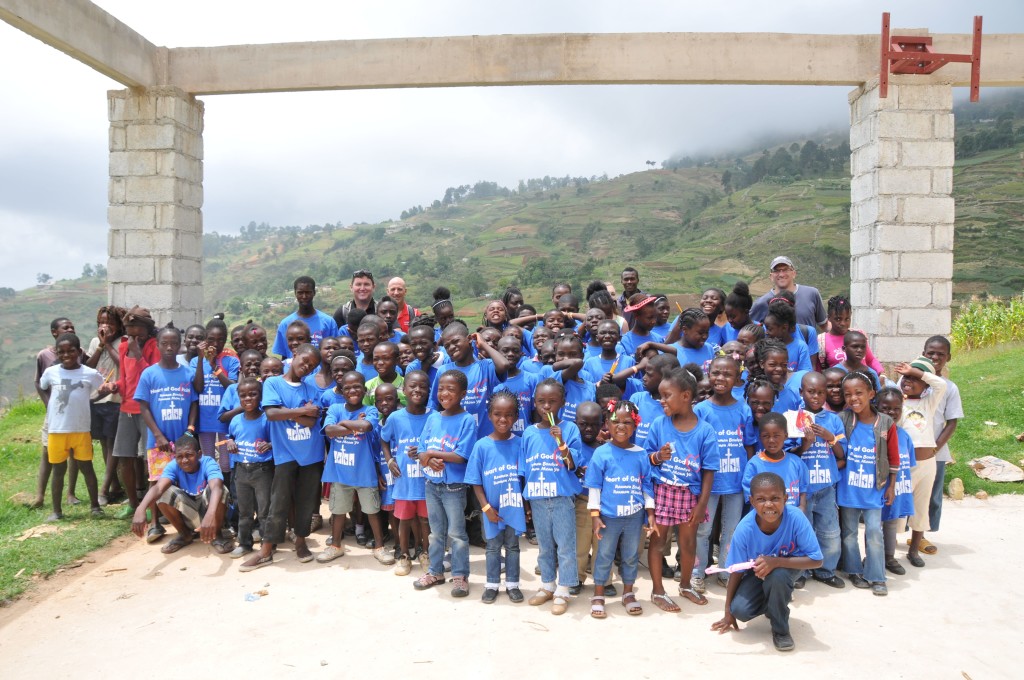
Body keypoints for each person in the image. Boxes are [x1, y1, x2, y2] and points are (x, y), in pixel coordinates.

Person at [710, 472, 824, 653]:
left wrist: (777, 562)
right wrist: (727, 610)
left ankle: (781, 630)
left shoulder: (796, 518)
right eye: (761, 499)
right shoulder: (744, 529)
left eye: (775, 498)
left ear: (786, 498)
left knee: (777, 576)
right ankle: (774, 602)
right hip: (759, 572)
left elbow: (816, 560)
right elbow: (736, 571)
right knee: (740, 610)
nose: (769, 504)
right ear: (752, 501)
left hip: (788, 567)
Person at [239, 344, 325, 572]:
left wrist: (289, 411)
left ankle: (300, 541)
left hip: (311, 453)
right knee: (279, 502)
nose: (306, 367)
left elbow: (311, 421)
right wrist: (300, 411)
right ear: (295, 355)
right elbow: (271, 414)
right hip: (285, 453)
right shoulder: (273, 383)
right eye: (304, 360)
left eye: (312, 366)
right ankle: (266, 550)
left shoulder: (312, 389)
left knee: (306, 501)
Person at [644, 367, 720, 612]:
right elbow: (646, 458)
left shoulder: (705, 431)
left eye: (667, 395)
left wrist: (701, 505)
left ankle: (686, 585)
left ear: (686, 396)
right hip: (663, 491)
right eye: (660, 396)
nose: (661, 400)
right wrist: (658, 456)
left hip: (689, 494)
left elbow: (709, 471)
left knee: (688, 545)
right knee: (658, 542)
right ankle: (657, 590)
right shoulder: (659, 424)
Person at [585, 399, 656, 619]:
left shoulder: (641, 454)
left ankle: (628, 592)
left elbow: (646, 486)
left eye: (627, 422)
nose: (621, 426)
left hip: (634, 517)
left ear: (635, 426)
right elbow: (595, 487)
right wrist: (595, 516)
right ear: (607, 423)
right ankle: (598, 594)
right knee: (604, 554)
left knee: (631, 555)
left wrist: (650, 514)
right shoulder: (601, 453)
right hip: (608, 516)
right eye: (615, 421)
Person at [317, 371, 394, 565]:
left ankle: (379, 547)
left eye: (357, 386)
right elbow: (329, 431)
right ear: (341, 390)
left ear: (364, 389)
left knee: (372, 511)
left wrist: (344, 424)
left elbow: (367, 426)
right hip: (340, 471)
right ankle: (335, 546)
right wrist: (353, 426)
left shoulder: (370, 410)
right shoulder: (335, 408)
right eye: (347, 387)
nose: (352, 390)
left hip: (364, 471)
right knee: (338, 510)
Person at [412, 370, 477, 596]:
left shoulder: (466, 420)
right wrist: (427, 457)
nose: (444, 393)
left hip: (454, 488)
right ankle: (435, 571)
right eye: (440, 388)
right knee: (435, 533)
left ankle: (460, 575)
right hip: (432, 485)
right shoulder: (433, 418)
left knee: (457, 534)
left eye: (450, 389)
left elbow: (462, 455)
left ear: (462, 394)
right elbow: (420, 451)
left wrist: (432, 453)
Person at [519, 378, 582, 616]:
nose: (547, 407)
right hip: (536, 498)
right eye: (541, 402)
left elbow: (572, 464)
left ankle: (564, 589)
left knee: (565, 546)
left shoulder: (570, 429)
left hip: (561, 498)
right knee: (545, 546)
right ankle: (547, 585)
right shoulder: (529, 433)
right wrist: (525, 500)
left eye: (552, 402)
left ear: (563, 403)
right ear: (534, 403)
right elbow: (524, 470)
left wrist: (561, 442)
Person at [694, 355, 756, 590]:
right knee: (703, 530)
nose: (721, 378)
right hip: (708, 484)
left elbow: (749, 444)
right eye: (716, 373)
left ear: (737, 378)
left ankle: (725, 571)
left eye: (727, 374)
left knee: (731, 530)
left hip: (736, 482)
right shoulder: (701, 410)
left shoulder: (744, 409)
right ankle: (697, 571)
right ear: (709, 375)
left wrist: (750, 478)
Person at [134, 325, 200, 544]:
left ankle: (185, 521)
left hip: (183, 439)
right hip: (159, 440)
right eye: (165, 343)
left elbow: (193, 403)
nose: (170, 347)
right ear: (158, 345)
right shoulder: (149, 374)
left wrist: (190, 430)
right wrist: (157, 434)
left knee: (184, 478)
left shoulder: (187, 372)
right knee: (157, 480)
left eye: (174, 343)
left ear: (179, 345)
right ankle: (155, 524)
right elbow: (143, 406)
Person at [39, 333, 115, 520]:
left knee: (86, 467)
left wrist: (98, 396)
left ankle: (95, 506)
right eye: (62, 352)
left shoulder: (89, 373)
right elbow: (43, 386)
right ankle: (57, 511)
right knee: (58, 470)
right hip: (57, 431)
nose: (67, 355)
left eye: (71, 351)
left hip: (81, 429)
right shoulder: (51, 372)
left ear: (79, 351)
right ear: (56, 353)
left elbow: (102, 388)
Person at [837, 371, 900, 596]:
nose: (853, 398)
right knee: (849, 533)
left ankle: (876, 575)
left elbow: (894, 457)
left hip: (874, 489)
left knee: (874, 531)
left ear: (871, 394)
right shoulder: (843, 419)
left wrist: (891, 485)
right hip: (849, 489)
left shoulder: (885, 423)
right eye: (848, 394)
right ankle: (854, 570)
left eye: (859, 393)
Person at [465, 390, 527, 604]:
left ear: (516, 417)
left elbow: (525, 477)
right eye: (498, 414)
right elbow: (475, 480)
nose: (503, 419)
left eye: (509, 414)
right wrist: (485, 508)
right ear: (489, 415)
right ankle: (492, 584)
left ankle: (513, 584)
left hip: (514, 507)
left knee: (513, 546)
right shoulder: (481, 446)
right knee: (492, 547)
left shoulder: (520, 443)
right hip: (490, 508)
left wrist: (525, 506)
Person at [131, 433, 233, 555]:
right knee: (163, 494)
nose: (184, 460)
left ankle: (217, 535)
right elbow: (158, 488)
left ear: (199, 454)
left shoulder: (208, 462)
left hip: (212, 516)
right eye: (180, 457)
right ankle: (185, 535)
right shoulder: (173, 466)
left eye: (189, 455)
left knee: (220, 490)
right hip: (190, 514)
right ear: (175, 457)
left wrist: (210, 515)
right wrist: (140, 508)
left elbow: (217, 487)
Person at [792, 371, 846, 588]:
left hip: (826, 485)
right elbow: (790, 456)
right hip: (802, 488)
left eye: (821, 392)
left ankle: (826, 570)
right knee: (803, 530)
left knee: (830, 532)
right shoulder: (794, 420)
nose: (816, 397)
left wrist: (829, 438)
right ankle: (801, 572)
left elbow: (843, 455)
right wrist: (806, 442)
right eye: (811, 392)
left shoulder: (833, 420)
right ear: (801, 392)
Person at [894, 356, 947, 568]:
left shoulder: (928, 402)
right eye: (906, 377)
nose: (909, 380)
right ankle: (890, 549)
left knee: (921, 506)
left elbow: (940, 384)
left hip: (927, 465)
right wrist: (906, 377)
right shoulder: (898, 403)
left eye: (914, 378)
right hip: (905, 466)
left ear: (925, 384)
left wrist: (917, 371)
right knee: (897, 507)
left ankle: (914, 550)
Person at [111, 307, 161, 524]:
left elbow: (155, 375)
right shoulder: (123, 348)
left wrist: (139, 354)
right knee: (125, 457)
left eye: (137, 330)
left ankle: (151, 505)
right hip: (126, 408)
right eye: (129, 331)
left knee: (151, 459)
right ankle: (132, 503)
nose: (133, 336)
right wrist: (114, 387)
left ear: (148, 329)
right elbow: (125, 378)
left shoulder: (154, 346)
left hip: (147, 409)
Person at [381, 370, 433, 575]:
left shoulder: (434, 417)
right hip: (404, 480)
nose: (417, 390)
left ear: (429, 390)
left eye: (422, 386)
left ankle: (425, 553)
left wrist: (424, 452)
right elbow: (384, 439)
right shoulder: (395, 417)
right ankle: (403, 555)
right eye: (413, 386)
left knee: (425, 520)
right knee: (403, 519)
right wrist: (389, 460)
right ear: (404, 389)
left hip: (427, 481)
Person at [32, 317, 81, 509]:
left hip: (73, 414)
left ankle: (70, 493)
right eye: (65, 327)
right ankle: (39, 496)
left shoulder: (78, 352)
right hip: (54, 415)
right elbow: (38, 382)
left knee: (74, 454)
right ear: (54, 332)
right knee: (48, 452)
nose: (70, 328)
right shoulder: (45, 355)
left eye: (72, 326)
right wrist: (48, 404)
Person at [922, 335, 963, 554]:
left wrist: (935, 448)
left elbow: (952, 422)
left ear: (949, 357)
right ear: (924, 353)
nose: (935, 357)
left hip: (935, 453)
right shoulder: (910, 381)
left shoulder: (950, 388)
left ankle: (922, 534)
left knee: (931, 495)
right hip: (911, 451)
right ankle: (902, 530)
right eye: (931, 353)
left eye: (940, 354)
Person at [224, 377, 273, 558]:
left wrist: (270, 445)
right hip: (241, 470)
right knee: (243, 511)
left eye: (253, 394)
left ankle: (267, 545)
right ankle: (244, 543)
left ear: (260, 396)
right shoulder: (236, 420)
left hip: (262, 470)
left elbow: (276, 441)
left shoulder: (266, 419)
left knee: (264, 511)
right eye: (243, 395)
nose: (248, 399)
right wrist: (230, 442)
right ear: (238, 398)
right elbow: (231, 436)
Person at [86, 306, 125, 506]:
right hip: (96, 398)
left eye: (110, 322)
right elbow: (89, 367)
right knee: (102, 441)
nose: (105, 325)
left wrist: (108, 344)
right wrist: (101, 345)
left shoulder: (122, 342)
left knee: (112, 444)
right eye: (102, 322)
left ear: (118, 325)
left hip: (114, 399)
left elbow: (122, 365)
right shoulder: (95, 342)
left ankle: (103, 490)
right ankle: (115, 485)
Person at [875, 387, 916, 576]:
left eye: (896, 408)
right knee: (874, 525)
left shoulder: (904, 435)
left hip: (898, 488)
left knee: (891, 523)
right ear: (877, 407)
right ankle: (873, 557)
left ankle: (889, 557)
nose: (891, 412)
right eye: (886, 408)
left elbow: (909, 464)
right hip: (877, 488)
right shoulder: (873, 433)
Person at [191, 318, 239, 476]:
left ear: (225, 341)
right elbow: (198, 387)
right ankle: (210, 495)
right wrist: (200, 358)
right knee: (208, 460)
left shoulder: (231, 362)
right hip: (205, 421)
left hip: (224, 421)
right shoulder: (195, 361)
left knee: (226, 462)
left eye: (220, 340)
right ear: (205, 339)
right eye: (211, 339)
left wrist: (215, 367)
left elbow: (232, 387)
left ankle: (228, 497)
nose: (216, 343)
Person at [741, 413, 809, 510]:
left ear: (785, 436)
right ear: (760, 437)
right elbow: (750, 496)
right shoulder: (754, 465)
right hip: (764, 520)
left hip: (792, 518)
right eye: (766, 436)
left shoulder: (796, 463)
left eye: (776, 435)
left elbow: (803, 489)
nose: (771, 440)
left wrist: (802, 506)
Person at [750, 256, 827, 330]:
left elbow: (824, 325)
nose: (781, 274)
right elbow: (750, 329)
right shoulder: (761, 303)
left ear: (794, 273)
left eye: (786, 270)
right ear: (771, 276)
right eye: (776, 271)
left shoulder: (812, 294)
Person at [273, 276, 339, 358]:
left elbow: (335, 352)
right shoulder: (285, 324)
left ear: (314, 293)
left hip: (321, 370)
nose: (304, 296)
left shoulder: (329, 322)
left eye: (308, 292)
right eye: (300, 293)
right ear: (295, 293)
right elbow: (285, 356)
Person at [821, 295, 884, 372]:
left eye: (847, 319)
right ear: (829, 318)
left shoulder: (858, 335)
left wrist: (882, 374)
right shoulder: (822, 341)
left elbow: (870, 360)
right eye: (838, 319)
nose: (843, 323)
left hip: (863, 381)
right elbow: (818, 370)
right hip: (838, 382)